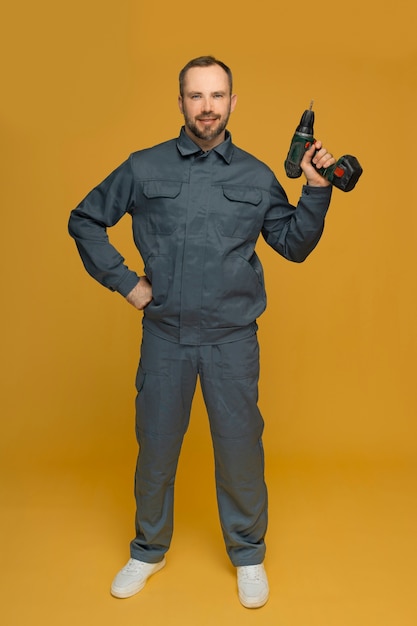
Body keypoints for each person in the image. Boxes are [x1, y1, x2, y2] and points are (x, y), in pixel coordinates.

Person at [68, 55, 335, 609]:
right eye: (196, 96)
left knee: (240, 450)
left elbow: (294, 246)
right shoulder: (144, 168)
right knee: (157, 450)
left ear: (232, 103)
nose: (207, 106)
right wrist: (126, 284)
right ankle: (148, 549)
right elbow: (85, 219)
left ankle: (248, 554)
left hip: (232, 340)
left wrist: (314, 189)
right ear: (182, 102)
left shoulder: (258, 176)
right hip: (166, 336)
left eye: (217, 96)